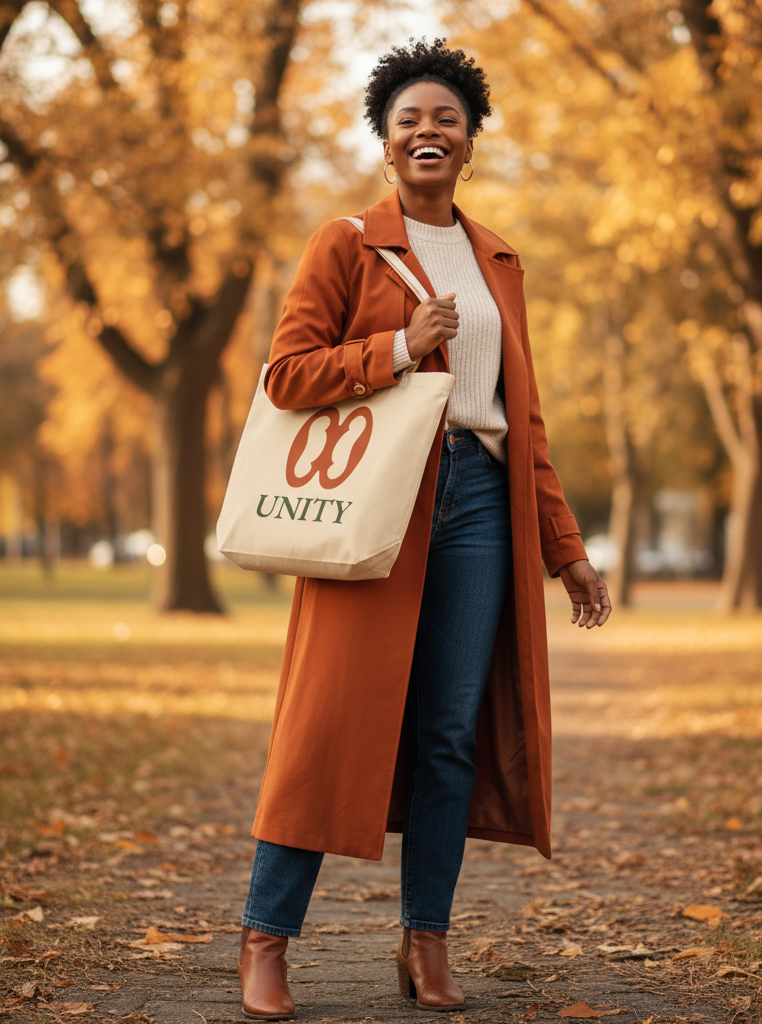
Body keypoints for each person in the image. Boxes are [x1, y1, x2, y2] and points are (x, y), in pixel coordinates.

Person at [236, 38, 611, 1021]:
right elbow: (285, 377)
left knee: (446, 734)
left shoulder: (497, 260)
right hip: (376, 500)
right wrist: (399, 348)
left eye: (446, 117)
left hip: (481, 497)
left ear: (471, 140)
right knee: (327, 724)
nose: (427, 130)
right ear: (388, 143)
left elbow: (519, 417)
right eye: (409, 119)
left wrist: (564, 549)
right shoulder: (345, 242)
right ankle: (266, 938)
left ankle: (424, 941)